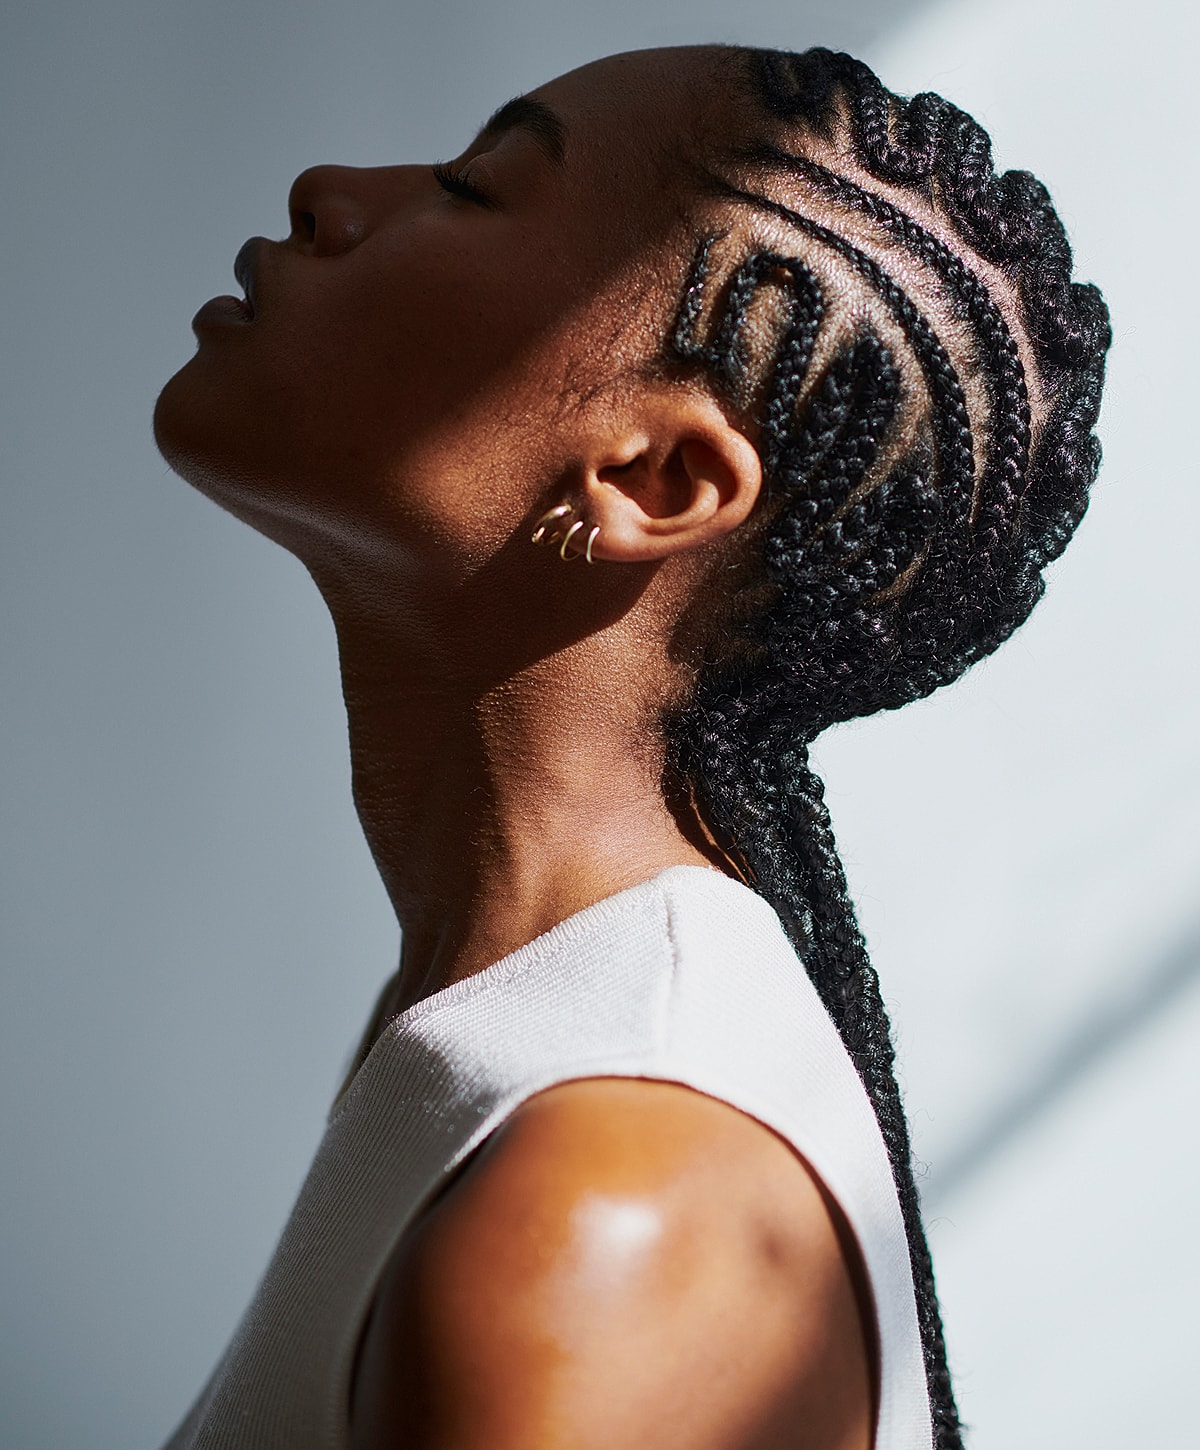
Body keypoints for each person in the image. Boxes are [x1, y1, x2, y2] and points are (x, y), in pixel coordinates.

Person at [152, 42, 1110, 1450]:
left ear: (655, 479)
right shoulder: (507, 1024)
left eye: (474, 187)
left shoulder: (611, 1209)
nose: (330, 193)